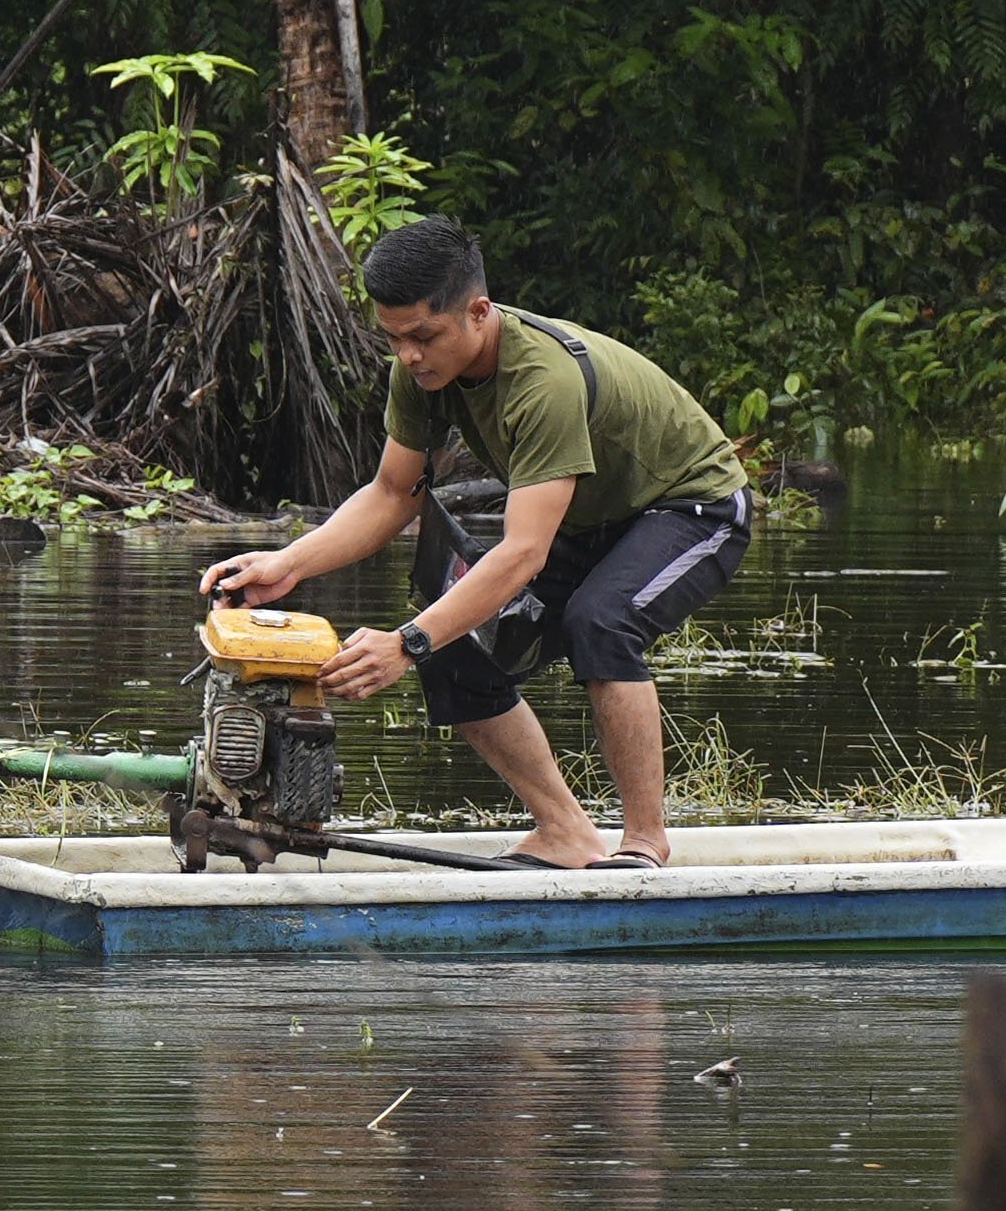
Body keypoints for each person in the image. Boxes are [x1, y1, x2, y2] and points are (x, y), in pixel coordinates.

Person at [198, 219, 753, 869]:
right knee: (451, 649)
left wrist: (404, 642)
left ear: (479, 312)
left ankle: (643, 842)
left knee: (600, 621)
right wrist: (286, 562)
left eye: (423, 336)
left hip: (690, 504)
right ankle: (566, 832)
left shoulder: (543, 381)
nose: (408, 355)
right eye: (394, 337)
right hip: (586, 518)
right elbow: (390, 494)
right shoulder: (421, 372)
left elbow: (522, 553)